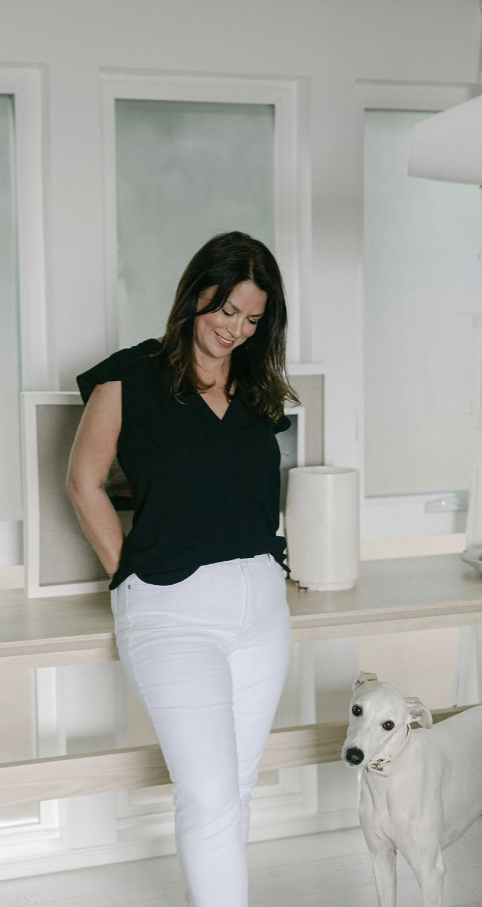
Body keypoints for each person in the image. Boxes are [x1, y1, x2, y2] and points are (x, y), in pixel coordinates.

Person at [67, 230, 300, 907]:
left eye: (253, 320)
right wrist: (130, 575)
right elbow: (84, 483)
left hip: (262, 609)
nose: (236, 330)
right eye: (226, 310)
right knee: (210, 799)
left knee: (235, 790)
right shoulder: (129, 377)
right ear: (197, 292)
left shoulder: (258, 390)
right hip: (171, 610)